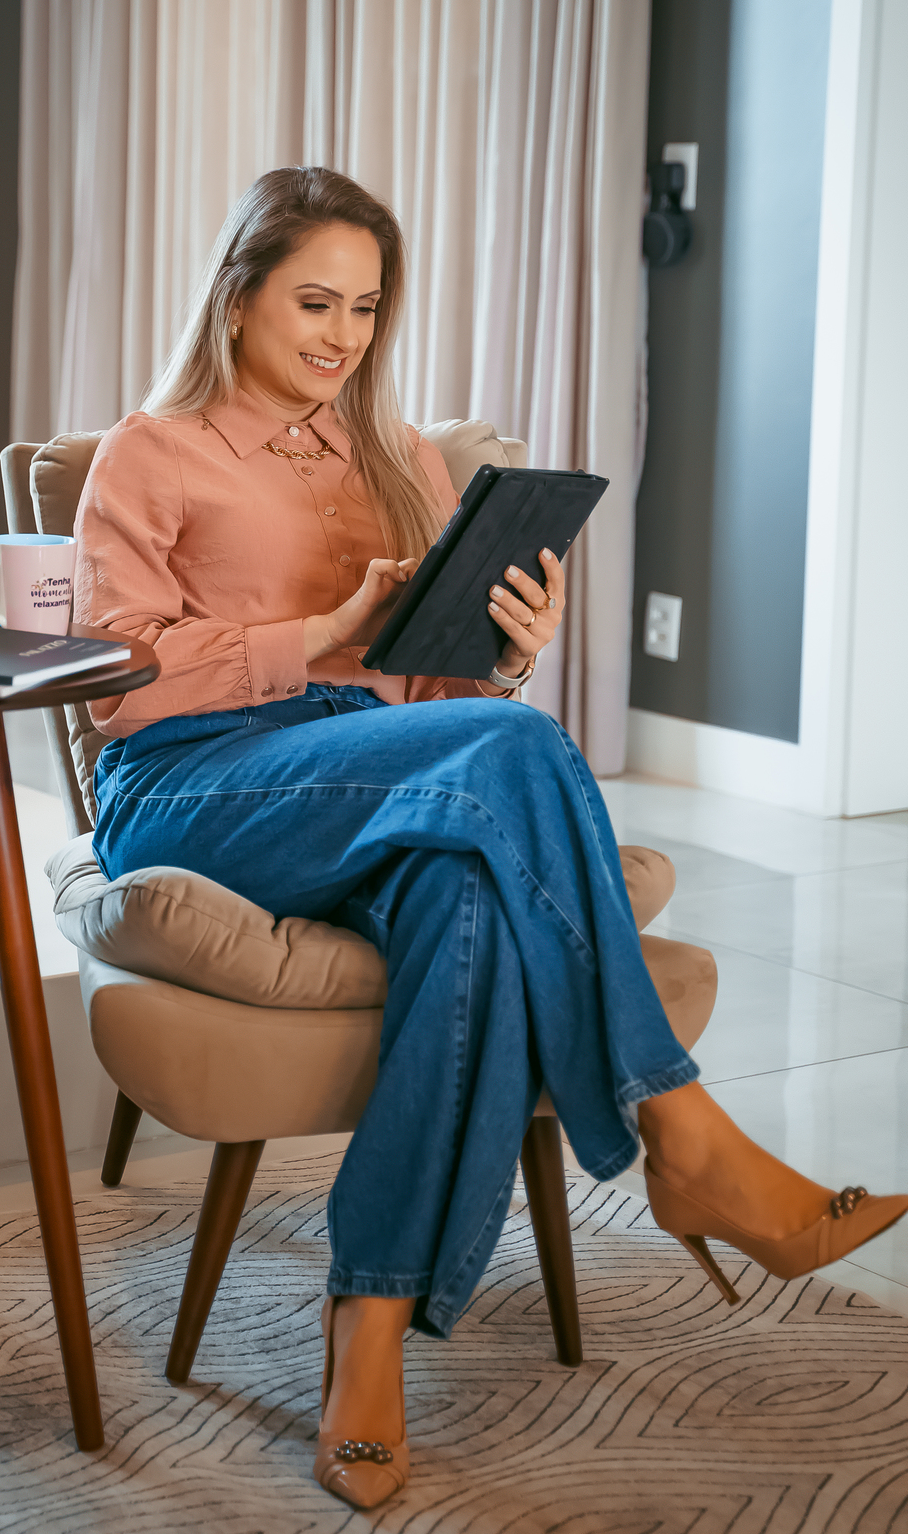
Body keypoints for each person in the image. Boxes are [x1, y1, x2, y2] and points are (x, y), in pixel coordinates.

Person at [73, 166, 906, 1510]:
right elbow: (117, 677)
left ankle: (371, 1336)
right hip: (194, 783)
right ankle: (683, 1131)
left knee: (469, 892)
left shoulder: (397, 457)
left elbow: (440, 713)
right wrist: (324, 630)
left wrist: (504, 650)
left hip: (378, 775)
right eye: (313, 301)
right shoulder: (149, 450)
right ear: (238, 298)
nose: (342, 335)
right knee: (509, 763)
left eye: (365, 307)